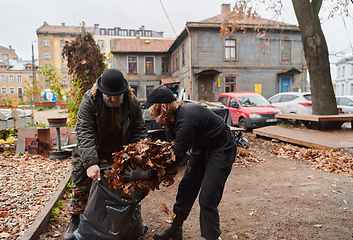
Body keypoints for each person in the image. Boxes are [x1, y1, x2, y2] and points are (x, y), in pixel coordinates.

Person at [126, 87, 237, 240]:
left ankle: (212, 237)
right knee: (186, 188)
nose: (151, 113)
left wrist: (147, 173)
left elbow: (176, 158)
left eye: (153, 109)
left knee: (207, 196)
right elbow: (172, 148)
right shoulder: (169, 121)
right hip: (201, 147)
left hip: (221, 148)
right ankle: (175, 229)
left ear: (163, 107)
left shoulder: (185, 121)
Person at [63, 68, 147, 240]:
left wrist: (137, 156)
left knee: (125, 185)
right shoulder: (90, 100)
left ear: (124, 92)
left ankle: (129, 220)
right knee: (81, 181)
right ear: (102, 91)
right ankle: (75, 220)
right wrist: (91, 162)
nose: (114, 99)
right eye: (110, 96)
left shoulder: (132, 103)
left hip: (120, 151)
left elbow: (139, 131)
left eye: (117, 96)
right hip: (92, 149)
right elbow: (84, 131)